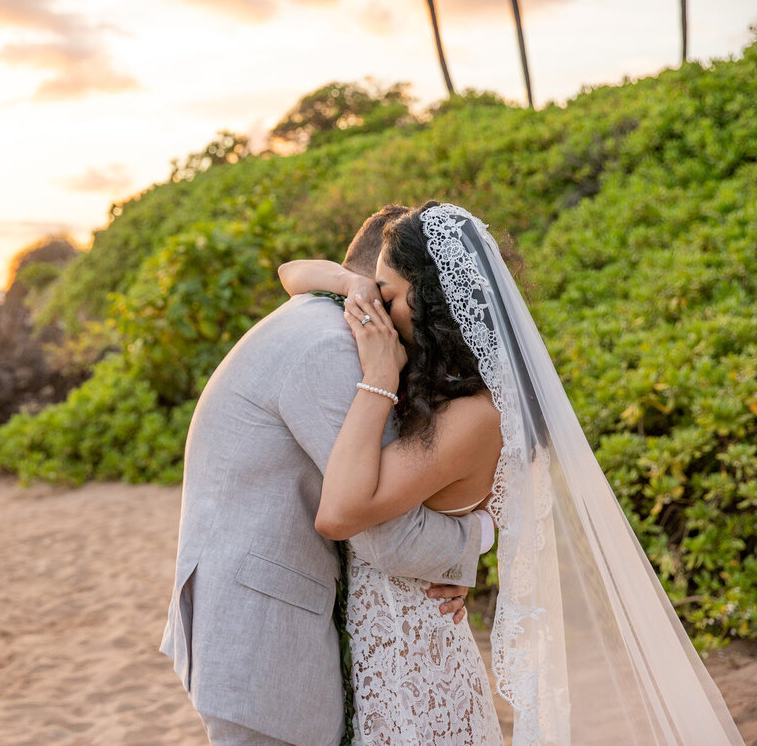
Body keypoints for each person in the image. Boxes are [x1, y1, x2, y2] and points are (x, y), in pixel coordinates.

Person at [282, 201, 744, 745]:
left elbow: (338, 514)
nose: (374, 308)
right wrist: (354, 285)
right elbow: (293, 273)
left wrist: (380, 374)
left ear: (429, 304)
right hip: (381, 655)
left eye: (389, 295)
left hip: (414, 670)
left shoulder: (474, 415)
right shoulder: (449, 386)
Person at [159, 204, 495, 746]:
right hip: (263, 641)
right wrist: (478, 538)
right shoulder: (334, 349)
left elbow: (296, 272)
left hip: (271, 625)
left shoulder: (312, 322)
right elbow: (385, 537)